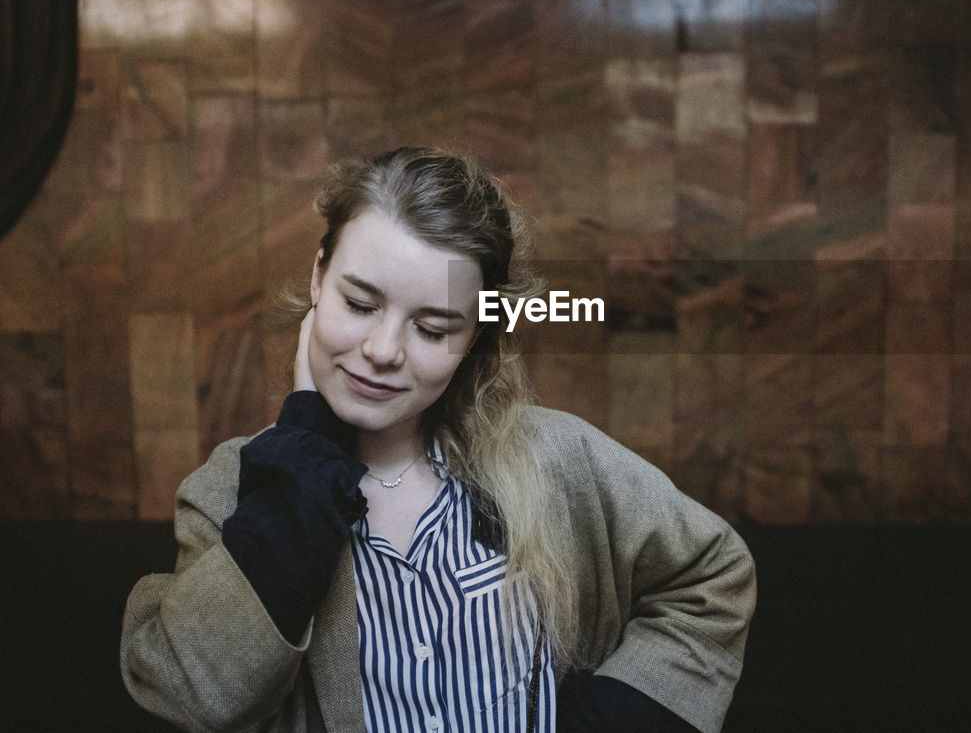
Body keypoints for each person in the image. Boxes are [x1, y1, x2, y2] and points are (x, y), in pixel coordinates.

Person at [121, 147, 756, 733]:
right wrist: (306, 451)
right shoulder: (230, 490)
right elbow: (190, 694)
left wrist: (609, 716)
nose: (382, 352)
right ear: (319, 277)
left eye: (432, 328)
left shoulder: (556, 460)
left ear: (476, 334)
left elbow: (712, 578)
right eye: (361, 303)